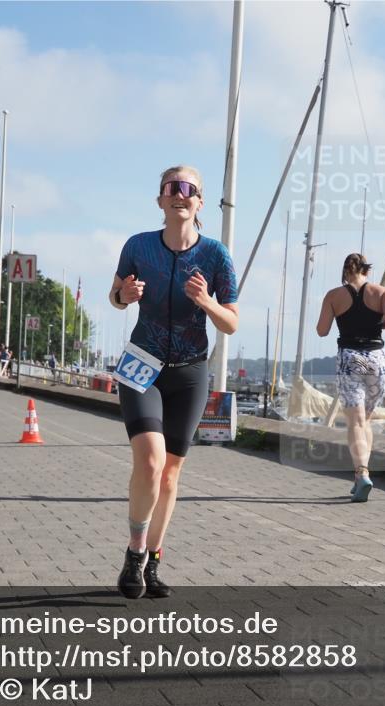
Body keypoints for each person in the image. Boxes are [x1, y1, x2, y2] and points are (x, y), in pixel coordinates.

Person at [108, 165, 238, 599]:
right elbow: (115, 296)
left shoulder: (216, 255)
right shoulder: (138, 246)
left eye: (189, 189)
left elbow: (232, 323)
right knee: (149, 461)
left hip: (189, 370)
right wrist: (122, 297)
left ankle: (154, 559)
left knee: (168, 476)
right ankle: (134, 552)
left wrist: (205, 301)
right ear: (160, 199)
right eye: (172, 187)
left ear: (200, 202)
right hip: (141, 363)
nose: (180, 194)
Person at [315, 253, 385, 502]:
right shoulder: (382, 292)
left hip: (350, 358)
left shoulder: (333, 295)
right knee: (366, 420)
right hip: (375, 360)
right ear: (367, 271)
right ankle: (361, 475)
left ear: (345, 272)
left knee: (356, 422)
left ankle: (361, 473)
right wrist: (376, 324)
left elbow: (322, 330)